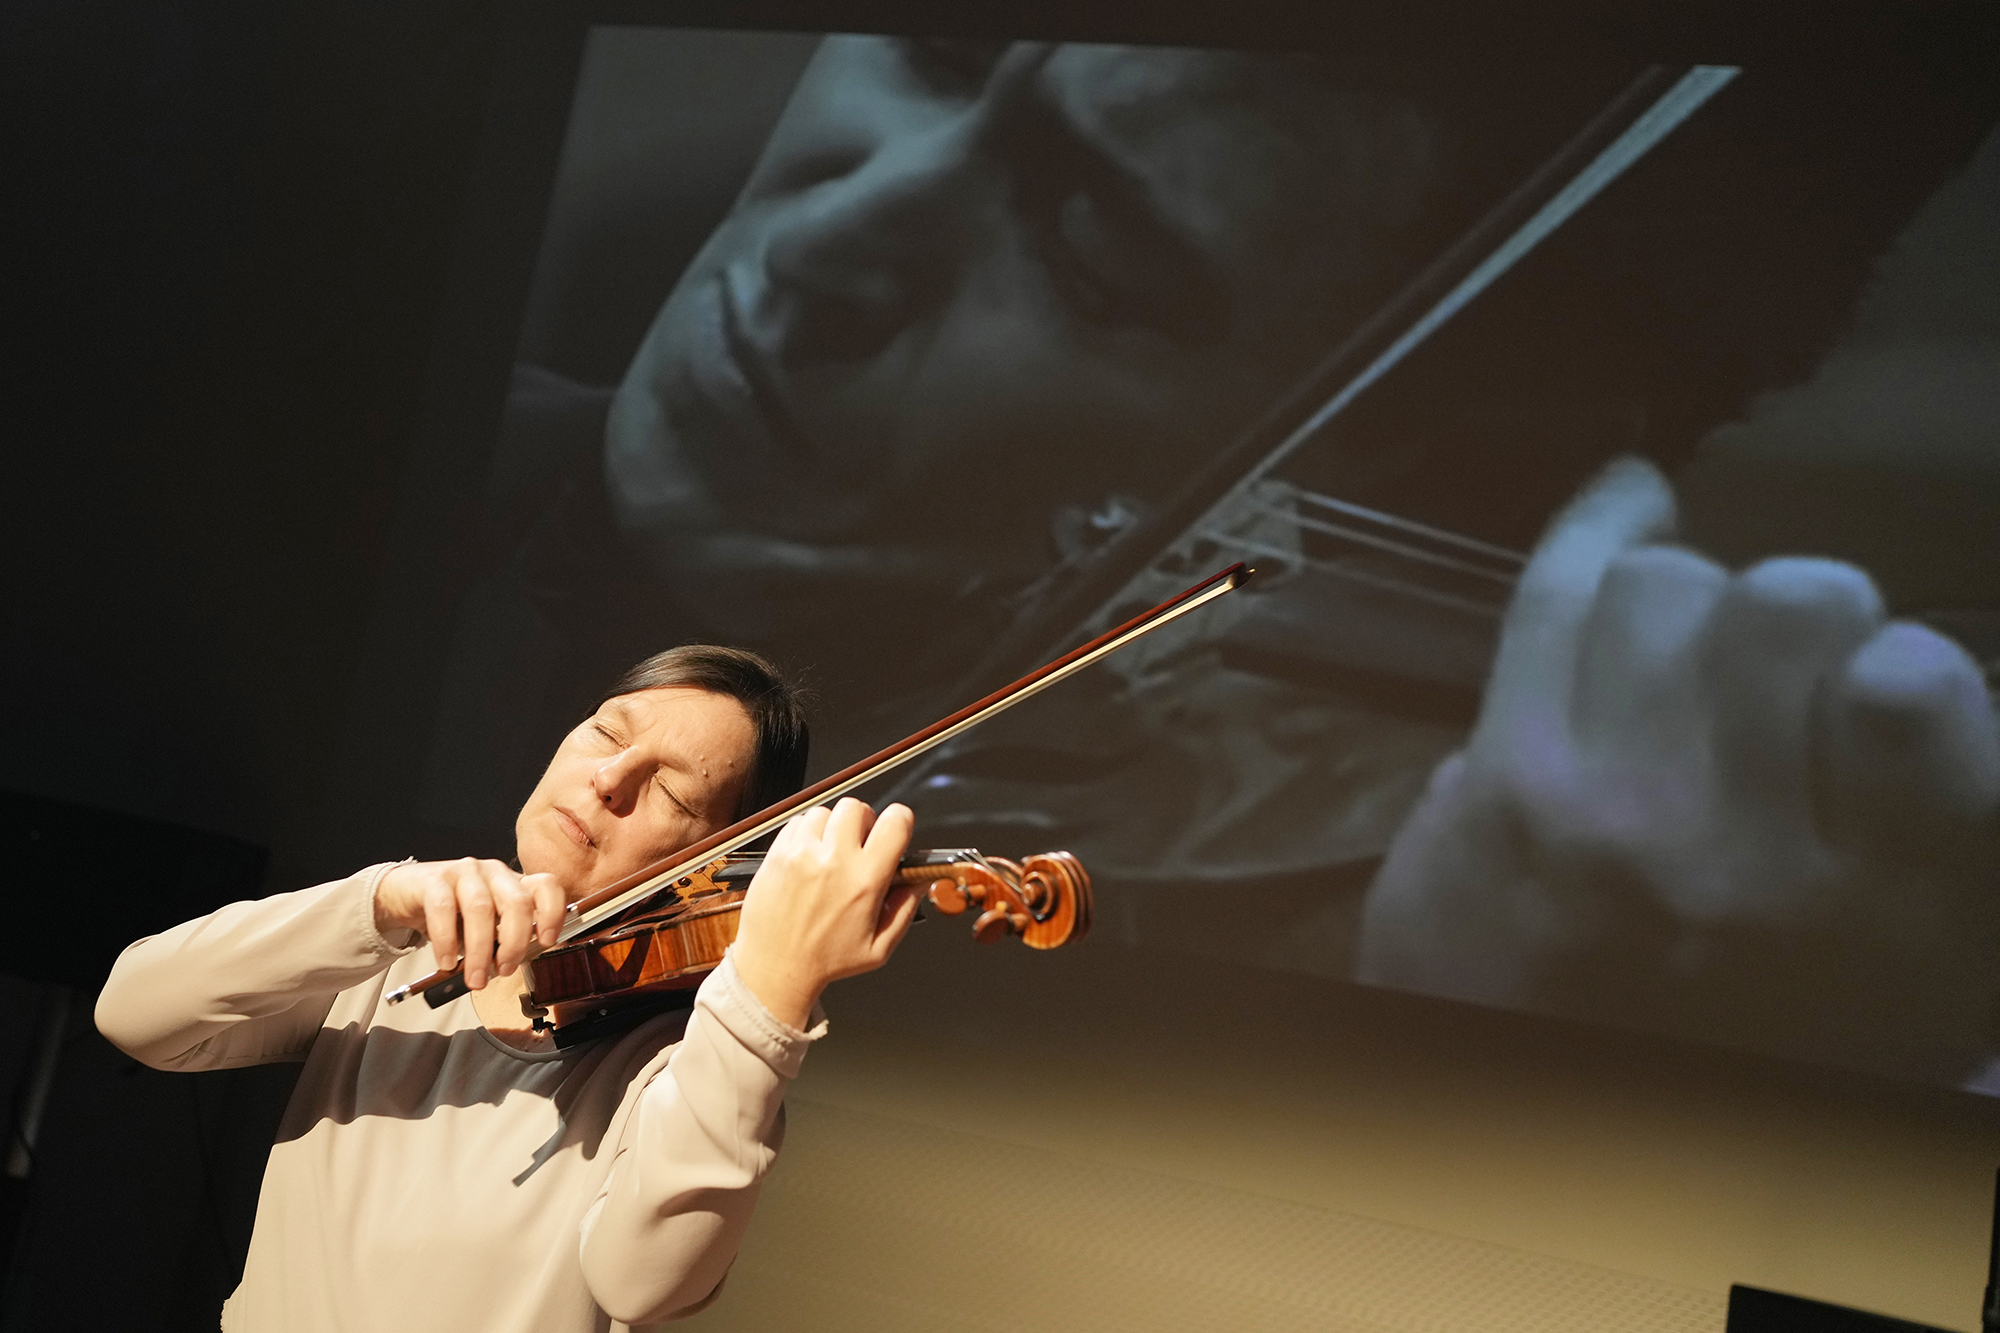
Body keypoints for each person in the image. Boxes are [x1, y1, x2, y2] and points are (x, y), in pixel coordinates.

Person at [448, 34, 2000, 1083]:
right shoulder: (434, 434)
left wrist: (1460, 1041)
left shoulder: (1387, 925)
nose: (835, 246)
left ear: (1388, 435)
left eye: (1091, 254)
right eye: (933, 47)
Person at [95, 645, 922, 1332]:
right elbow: (135, 1012)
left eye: (669, 790)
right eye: (606, 731)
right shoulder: (396, 955)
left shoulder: (680, 1070)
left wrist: (767, 998)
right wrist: (379, 900)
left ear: (711, 870)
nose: (609, 778)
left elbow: (643, 1281)